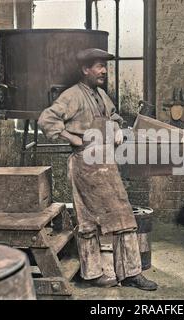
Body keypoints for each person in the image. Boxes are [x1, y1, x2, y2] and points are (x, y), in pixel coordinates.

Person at [38, 48, 158, 291]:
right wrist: (71, 138)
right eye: (99, 66)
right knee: (91, 221)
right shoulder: (72, 95)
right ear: (85, 69)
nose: (104, 71)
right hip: (85, 163)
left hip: (105, 163)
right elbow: (47, 119)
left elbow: (114, 116)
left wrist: (114, 127)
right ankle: (98, 273)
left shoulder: (100, 94)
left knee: (120, 216)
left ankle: (125, 272)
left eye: (105, 66)